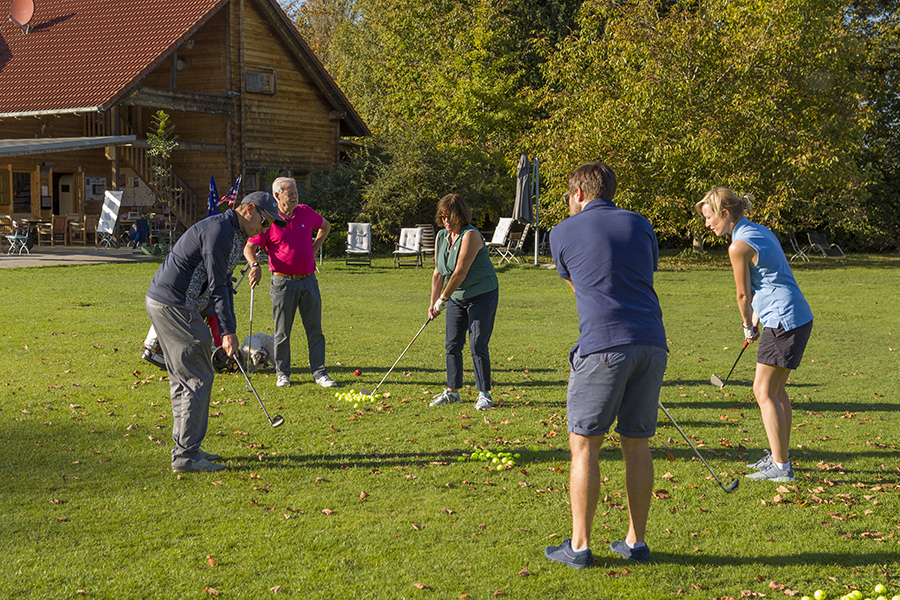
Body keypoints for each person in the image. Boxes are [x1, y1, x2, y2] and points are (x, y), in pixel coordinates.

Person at [545, 162, 668, 568]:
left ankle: (579, 547)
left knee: (584, 445)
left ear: (579, 193)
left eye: (568, 195)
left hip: (603, 346)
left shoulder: (561, 231)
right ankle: (636, 542)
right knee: (636, 443)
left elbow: (577, 284)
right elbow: (641, 275)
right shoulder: (641, 223)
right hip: (651, 342)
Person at [145, 192, 285, 473]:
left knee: (184, 378)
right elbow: (218, 286)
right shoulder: (219, 231)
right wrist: (228, 332)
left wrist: (226, 326)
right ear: (248, 210)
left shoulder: (230, 232)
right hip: (175, 305)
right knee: (198, 375)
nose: (266, 228)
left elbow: (221, 283)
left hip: (172, 303)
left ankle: (187, 449)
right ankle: (186, 456)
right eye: (265, 221)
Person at [696, 187, 813, 483]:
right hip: (795, 317)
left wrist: (748, 324)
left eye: (709, 217)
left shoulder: (738, 246)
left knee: (763, 391)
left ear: (725, 214)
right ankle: (779, 457)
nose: (707, 224)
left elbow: (743, 294)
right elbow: (770, 278)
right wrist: (758, 319)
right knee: (776, 391)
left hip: (784, 320)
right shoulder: (759, 230)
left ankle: (781, 467)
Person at [243, 177, 335, 388]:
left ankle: (319, 373)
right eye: (289, 192)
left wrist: (314, 249)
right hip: (282, 283)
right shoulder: (269, 220)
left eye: (295, 191)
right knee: (282, 332)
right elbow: (249, 248)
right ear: (277, 196)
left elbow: (325, 226)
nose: (295, 195)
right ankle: (282, 373)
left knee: (315, 330)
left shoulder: (305, 211)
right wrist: (255, 266)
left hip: (309, 281)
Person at [428, 193, 499, 411]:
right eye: (443, 216)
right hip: (457, 297)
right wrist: (432, 304)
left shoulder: (471, 235)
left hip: (482, 294)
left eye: (449, 216)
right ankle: (452, 392)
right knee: (452, 344)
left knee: (477, 342)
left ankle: (484, 394)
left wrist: (443, 298)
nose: (446, 220)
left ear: (460, 215)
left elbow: (459, 273)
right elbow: (439, 272)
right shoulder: (442, 236)